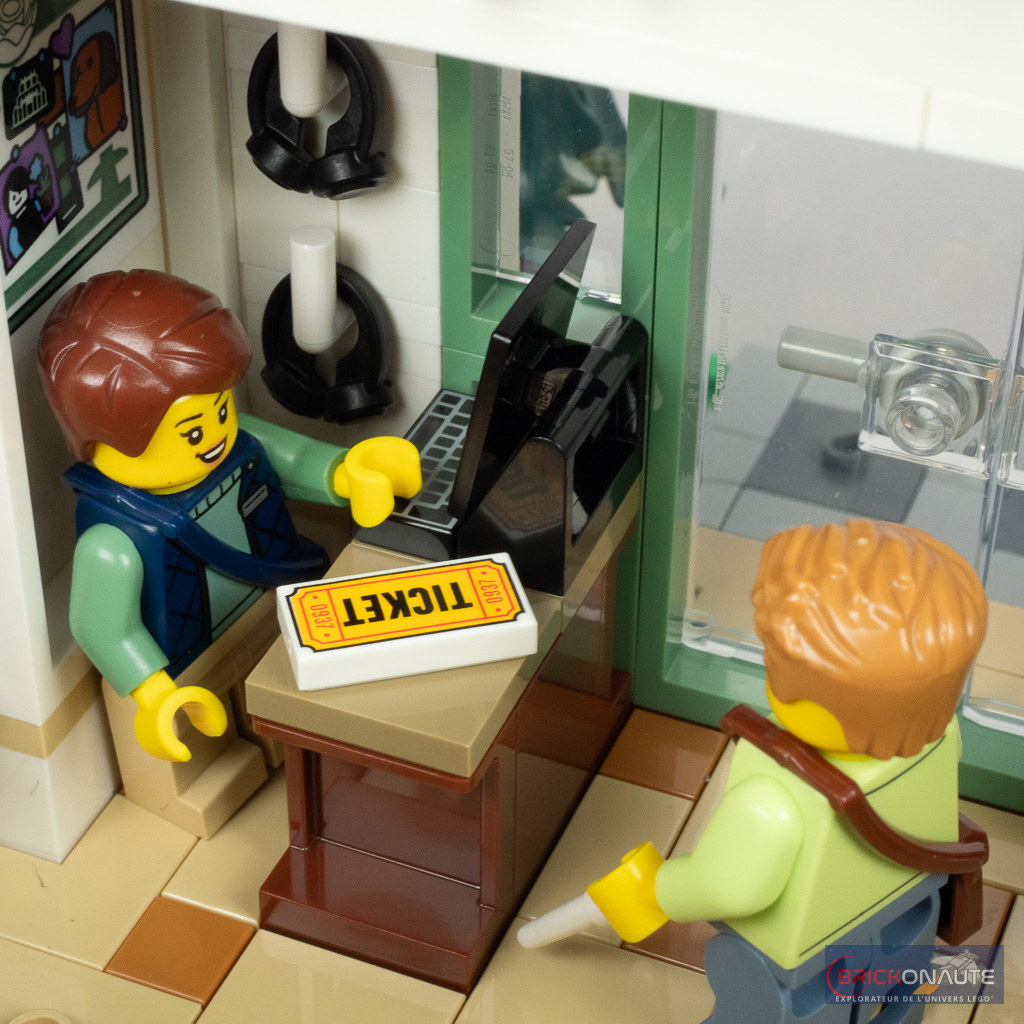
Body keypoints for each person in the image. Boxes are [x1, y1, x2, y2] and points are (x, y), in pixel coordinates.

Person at [524, 520, 988, 1024]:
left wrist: (657, 889)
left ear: (801, 688)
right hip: (908, 906)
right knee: (899, 982)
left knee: (765, 996)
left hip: (800, 959)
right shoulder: (941, 738)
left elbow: (728, 886)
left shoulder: (773, 796)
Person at [39, 268, 420, 767]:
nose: (218, 435)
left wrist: (350, 472)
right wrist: (154, 694)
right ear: (111, 437)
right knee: (213, 771)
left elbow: (300, 460)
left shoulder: (240, 446)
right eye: (193, 432)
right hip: (185, 666)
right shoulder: (112, 541)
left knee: (289, 734)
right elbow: (101, 626)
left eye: (221, 410)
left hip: (272, 614)